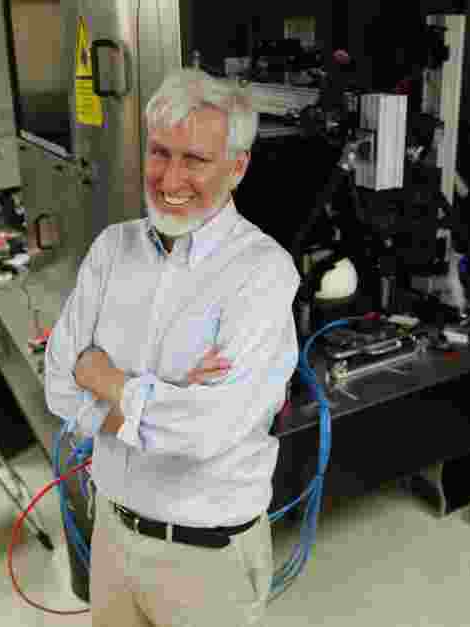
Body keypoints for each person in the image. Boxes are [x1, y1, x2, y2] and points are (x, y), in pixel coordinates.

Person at [44, 68, 301, 626]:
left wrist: (105, 377)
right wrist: (168, 397)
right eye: (160, 153)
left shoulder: (262, 274)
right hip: (111, 533)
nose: (171, 178)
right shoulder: (113, 250)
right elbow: (59, 385)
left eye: (195, 160)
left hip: (205, 558)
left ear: (237, 167)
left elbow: (208, 433)